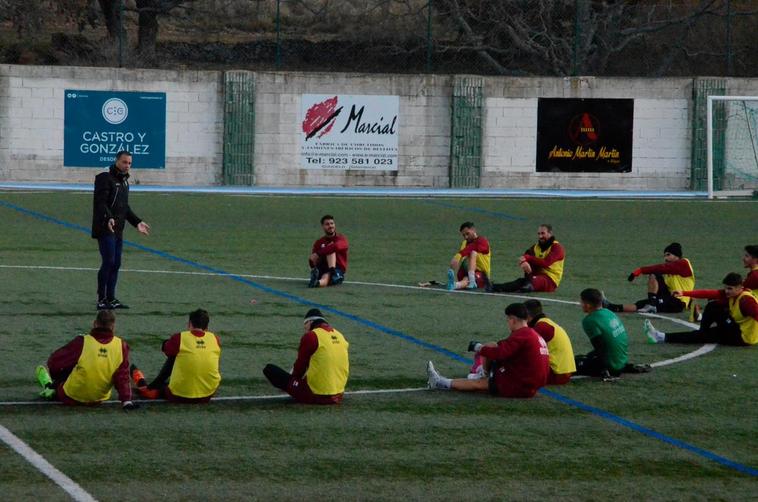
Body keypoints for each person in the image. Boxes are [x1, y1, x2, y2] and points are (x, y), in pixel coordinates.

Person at [426, 303, 549, 398]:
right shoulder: (532, 333)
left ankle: (440, 382)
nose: (508, 323)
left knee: (480, 384)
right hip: (532, 383)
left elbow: (499, 353)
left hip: (521, 385)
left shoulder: (522, 334)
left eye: (508, 320)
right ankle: (483, 373)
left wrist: (479, 348)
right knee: (492, 346)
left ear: (513, 320)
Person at [34, 310, 136, 410]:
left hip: (71, 396)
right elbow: (122, 376)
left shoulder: (82, 341)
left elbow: (54, 362)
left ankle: (50, 386)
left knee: (65, 365)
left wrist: (56, 377)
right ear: (113, 326)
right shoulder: (121, 345)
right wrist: (126, 400)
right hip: (98, 398)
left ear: (94, 323)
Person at [91, 150, 150, 310]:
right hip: (105, 227)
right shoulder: (104, 178)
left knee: (116, 263)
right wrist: (108, 217)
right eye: (124, 162)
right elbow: (100, 202)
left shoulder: (124, 182)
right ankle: (101, 298)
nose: (127, 166)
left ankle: (111, 298)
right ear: (117, 161)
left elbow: (125, 208)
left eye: (130, 163)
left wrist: (137, 222)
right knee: (108, 261)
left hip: (118, 229)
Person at [130, 309, 221, 403]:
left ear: (189, 323)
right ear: (207, 327)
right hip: (208, 393)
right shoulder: (215, 339)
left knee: (173, 358)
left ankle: (145, 386)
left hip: (179, 395)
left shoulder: (180, 338)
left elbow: (165, 348)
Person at [644, 272, 758, 346]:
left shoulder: (746, 301)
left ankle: (661, 337)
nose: (726, 291)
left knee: (707, 328)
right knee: (713, 305)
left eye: (730, 288)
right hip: (735, 327)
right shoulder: (734, 294)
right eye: (725, 288)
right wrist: (684, 293)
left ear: (740, 288)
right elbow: (708, 293)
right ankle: (701, 332)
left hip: (742, 337)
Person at [263, 309, 349, 404]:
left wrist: (292, 381)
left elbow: (300, 367)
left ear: (310, 322)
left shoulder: (311, 336)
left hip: (316, 395)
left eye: (305, 326)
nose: (305, 330)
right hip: (339, 395)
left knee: (269, 369)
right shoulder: (340, 336)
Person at [605, 242, 695, 314]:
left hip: (677, 303)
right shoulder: (670, 273)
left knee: (655, 273)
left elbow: (661, 268)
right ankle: (612, 307)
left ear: (677, 255)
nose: (665, 258)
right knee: (641, 303)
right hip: (670, 299)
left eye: (668, 255)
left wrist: (640, 270)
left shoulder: (684, 263)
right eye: (664, 256)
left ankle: (652, 304)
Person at [490, 224, 564, 293]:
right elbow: (524, 256)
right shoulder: (536, 247)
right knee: (520, 281)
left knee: (529, 282)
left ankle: (526, 287)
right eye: (539, 234)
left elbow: (546, 263)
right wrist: (524, 262)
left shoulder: (557, 247)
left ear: (550, 233)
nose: (540, 236)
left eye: (543, 233)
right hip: (537, 276)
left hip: (550, 281)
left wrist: (528, 258)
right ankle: (495, 287)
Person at [574, 288, 628, 378]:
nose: (580, 304)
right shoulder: (609, 312)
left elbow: (600, 348)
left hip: (612, 367)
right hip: (621, 361)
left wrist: (604, 370)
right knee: (584, 357)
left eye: (582, 302)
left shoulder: (589, 320)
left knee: (571, 364)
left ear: (587, 305)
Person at [523, 299, 575, 385]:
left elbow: (521, 349)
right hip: (562, 372)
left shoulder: (542, 327)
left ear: (527, 315)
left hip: (556, 374)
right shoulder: (546, 323)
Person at [446, 221, 491, 290]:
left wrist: (459, 254)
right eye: (463, 235)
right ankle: (464, 283)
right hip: (466, 271)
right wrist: (452, 269)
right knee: (466, 277)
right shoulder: (464, 243)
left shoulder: (482, 241)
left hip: (481, 274)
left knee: (472, 252)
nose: (466, 237)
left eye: (467, 234)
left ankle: (456, 285)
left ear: (474, 230)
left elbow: (473, 248)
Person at [308, 215, 349, 288]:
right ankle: (316, 280)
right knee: (325, 275)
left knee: (331, 250)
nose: (330, 226)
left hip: (337, 269)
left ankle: (321, 281)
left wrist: (318, 253)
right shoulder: (319, 242)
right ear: (323, 226)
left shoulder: (341, 239)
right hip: (322, 267)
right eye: (327, 224)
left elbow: (336, 246)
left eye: (332, 223)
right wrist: (313, 266)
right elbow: (312, 259)